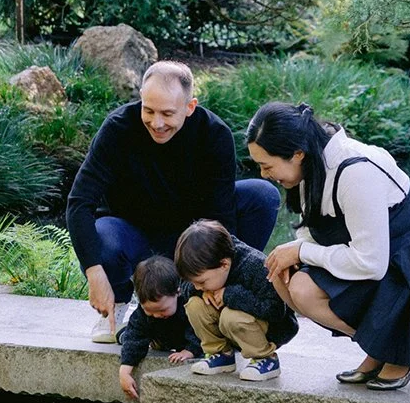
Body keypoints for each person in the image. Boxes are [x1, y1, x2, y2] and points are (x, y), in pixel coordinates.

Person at [246, 101, 410, 390]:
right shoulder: (311, 164)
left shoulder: (355, 171)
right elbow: (315, 229)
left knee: (303, 288)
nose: (264, 174)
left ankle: (398, 348)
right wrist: (294, 252)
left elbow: (371, 263)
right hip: (375, 259)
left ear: (297, 154)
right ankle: (381, 346)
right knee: (282, 275)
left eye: (267, 165)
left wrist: (301, 252)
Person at [66, 60, 280, 341]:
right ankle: (116, 307)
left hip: (191, 237)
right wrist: (94, 273)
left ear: (190, 107)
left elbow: (222, 217)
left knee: (262, 196)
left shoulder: (214, 134)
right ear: (141, 98)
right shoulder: (117, 129)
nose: (156, 123)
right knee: (103, 236)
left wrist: (215, 275)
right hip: (134, 234)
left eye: (167, 113)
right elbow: (79, 202)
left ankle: (220, 300)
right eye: (148, 110)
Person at [175, 218, 298, 381]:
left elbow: (274, 310)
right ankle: (220, 354)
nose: (197, 286)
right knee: (194, 305)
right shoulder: (209, 272)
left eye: (201, 282)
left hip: (269, 328)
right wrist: (201, 291)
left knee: (230, 317)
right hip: (234, 326)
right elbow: (184, 286)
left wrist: (230, 295)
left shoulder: (255, 266)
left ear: (224, 265)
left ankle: (266, 359)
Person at [119, 255, 202, 401]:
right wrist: (125, 371)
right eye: (149, 311)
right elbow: (135, 338)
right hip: (157, 336)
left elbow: (198, 329)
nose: (156, 315)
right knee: (129, 335)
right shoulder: (142, 314)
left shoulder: (188, 303)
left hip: (181, 337)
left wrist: (190, 350)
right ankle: (122, 333)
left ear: (177, 292)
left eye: (162, 310)